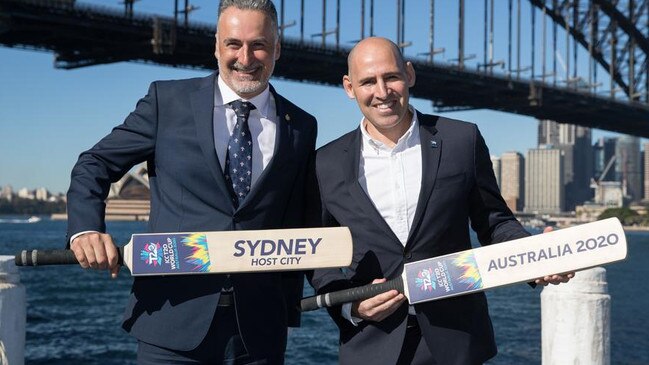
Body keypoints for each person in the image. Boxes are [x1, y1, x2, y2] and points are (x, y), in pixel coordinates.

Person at [65, 0, 317, 363]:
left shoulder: (302, 125)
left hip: (259, 331)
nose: (245, 57)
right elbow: (95, 162)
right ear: (216, 46)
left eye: (258, 44)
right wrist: (85, 229)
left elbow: (300, 218)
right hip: (171, 322)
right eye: (233, 44)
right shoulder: (166, 102)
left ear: (277, 48)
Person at [308, 37, 573, 365]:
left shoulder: (462, 139)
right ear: (349, 87)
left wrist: (537, 257)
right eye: (367, 81)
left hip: (457, 342)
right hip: (372, 344)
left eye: (391, 77)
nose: (382, 91)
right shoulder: (325, 163)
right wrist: (352, 306)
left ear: (409, 74)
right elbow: (319, 253)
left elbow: (494, 221)